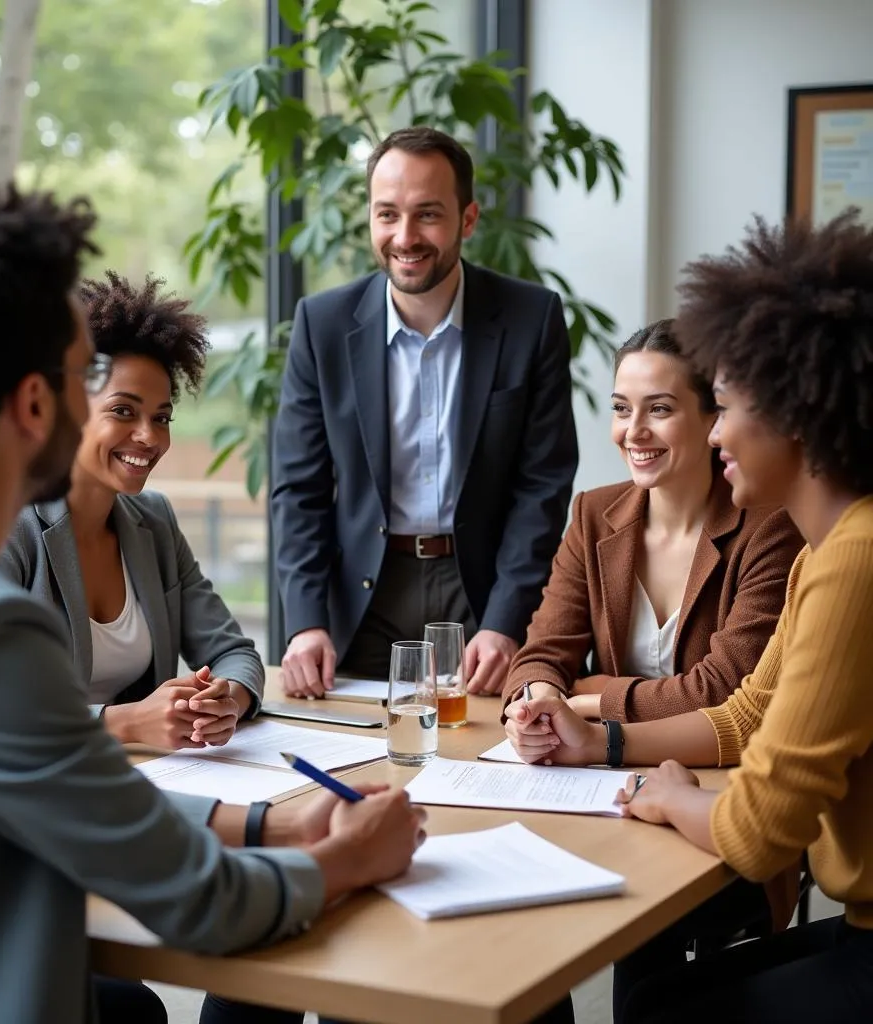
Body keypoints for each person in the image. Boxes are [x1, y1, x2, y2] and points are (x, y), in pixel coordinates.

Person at [0, 175, 426, 1024]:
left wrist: (274, 828)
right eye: (88, 379)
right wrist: (347, 861)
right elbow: (199, 904)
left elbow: (84, 794)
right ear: (37, 403)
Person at [507, 211, 873, 1023]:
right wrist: (603, 741)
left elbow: (759, 831)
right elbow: (746, 716)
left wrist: (666, 792)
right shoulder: (831, 549)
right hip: (859, 925)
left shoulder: (852, 559)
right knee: (658, 995)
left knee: (657, 1009)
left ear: (797, 413)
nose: (723, 434)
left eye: (731, 406)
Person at [272, 125, 578, 698]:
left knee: (483, 762)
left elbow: (542, 486)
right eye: (387, 214)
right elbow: (299, 489)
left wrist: (506, 619)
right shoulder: (323, 325)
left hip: (481, 595)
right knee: (356, 767)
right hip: (363, 598)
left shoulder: (531, 319)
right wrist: (306, 620)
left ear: (467, 219)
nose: (404, 236)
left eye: (428, 214)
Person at [2, 271, 262, 750]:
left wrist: (229, 700)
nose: (149, 436)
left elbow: (234, 652)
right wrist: (125, 724)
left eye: (161, 417)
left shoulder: (155, 520)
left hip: (149, 779)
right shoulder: (11, 531)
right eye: (124, 411)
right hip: (38, 792)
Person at [502, 318, 802, 723]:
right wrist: (536, 704)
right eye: (622, 409)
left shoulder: (769, 529)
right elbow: (541, 654)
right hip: (595, 768)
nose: (634, 431)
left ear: (713, 418)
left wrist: (594, 698)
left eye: (659, 409)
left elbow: (724, 689)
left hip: (715, 771)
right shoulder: (593, 514)